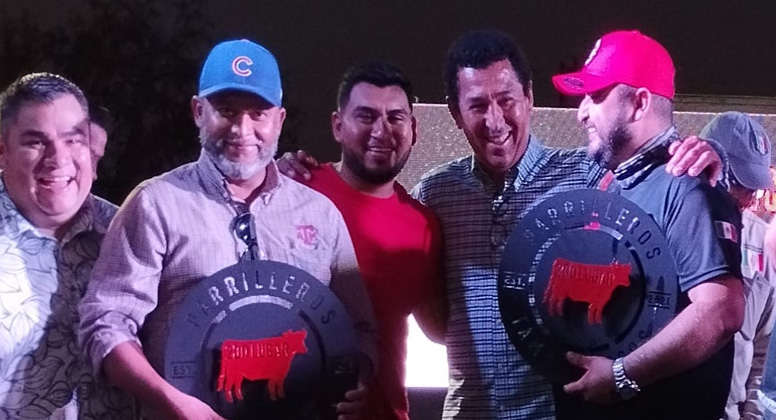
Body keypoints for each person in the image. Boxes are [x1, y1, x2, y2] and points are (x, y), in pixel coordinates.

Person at [281, 29, 724, 420]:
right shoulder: (435, 194)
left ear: (529, 98)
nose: (494, 121)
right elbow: (435, 324)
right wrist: (283, 174)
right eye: (476, 105)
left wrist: (701, 153)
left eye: (506, 100)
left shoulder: (590, 177)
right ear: (455, 114)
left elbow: (648, 169)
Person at [77, 39, 378, 420]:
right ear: (198, 111)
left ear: (279, 119)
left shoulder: (320, 215)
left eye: (258, 113)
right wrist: (173, 401)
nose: (241, 129)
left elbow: (361, 329)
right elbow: (106, 324)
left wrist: (358, 379)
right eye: (226, 111)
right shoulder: (156, 203)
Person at [551, 29, 744, 419]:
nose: (581, 112)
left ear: (639, 104)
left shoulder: (687, 185)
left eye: (596, 96)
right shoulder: (610, 180)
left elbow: (721, 310)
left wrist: (621, 377)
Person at [280, 62, 445, 420]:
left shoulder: (425, 226)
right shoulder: (292, 191)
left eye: (395, 118)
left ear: (414, 129)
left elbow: (439, 329)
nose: (381, 131)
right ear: (338, 126)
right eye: (366, 116)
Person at [0, 73, 131, 419]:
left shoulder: (127, 232)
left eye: (73, 140)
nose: (58, 158)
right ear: (0, 151)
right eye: (36, 142)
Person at [700, 112, 776, 420]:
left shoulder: (762, 242)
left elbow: (763, 349)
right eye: (742, 183)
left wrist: (752, 415)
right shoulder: (668, 227)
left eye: (755, 186)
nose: (749, 196)